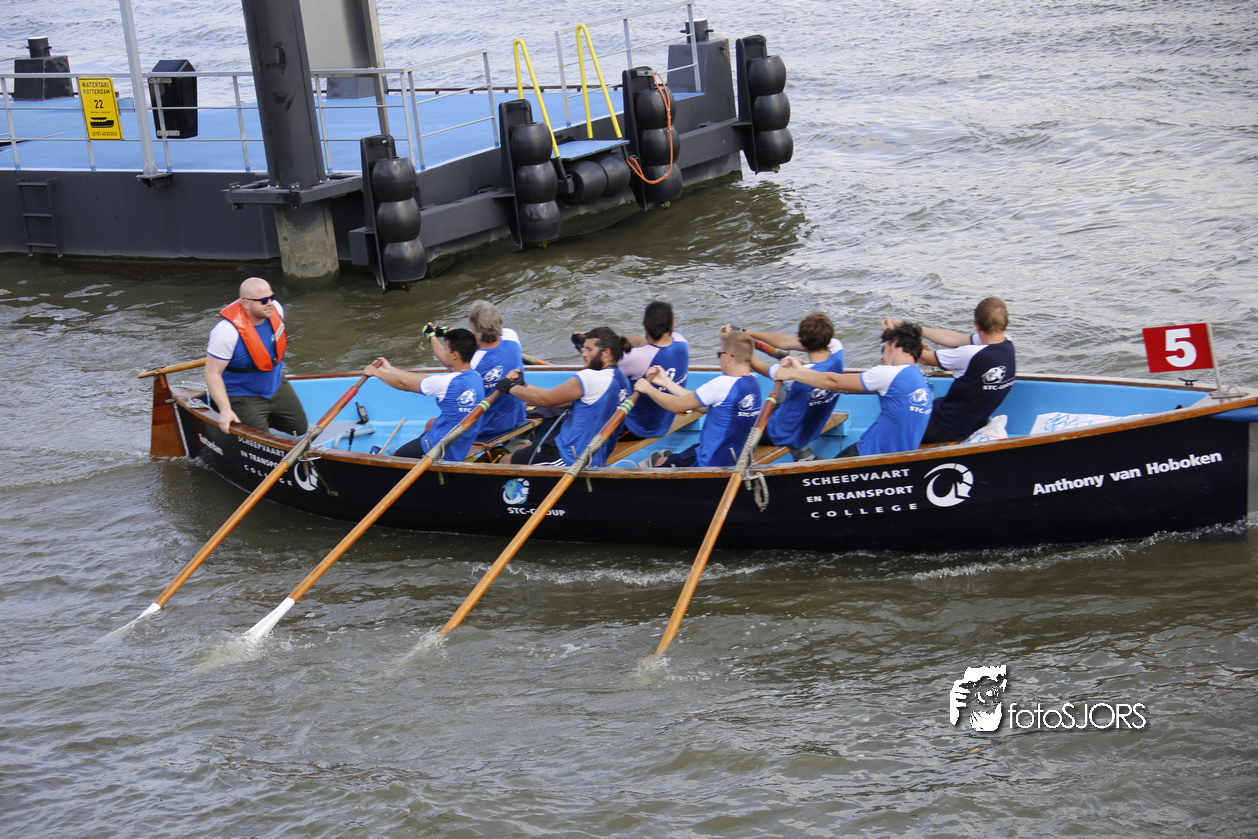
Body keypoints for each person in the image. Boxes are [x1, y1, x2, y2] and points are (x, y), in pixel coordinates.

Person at [774, 321, 932, 457]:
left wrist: (792, 374)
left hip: (869, 454)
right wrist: (801, 371)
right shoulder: (918, 378)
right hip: (896, 460)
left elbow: (835, 383)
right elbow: (843, 386)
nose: (881, 358)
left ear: (895, 343)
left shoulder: (889, 373)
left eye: (882, 349)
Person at [883, 297, 1015, 444]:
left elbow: (924, 358)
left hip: (946, 426)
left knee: (892, 427)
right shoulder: (1007, 343)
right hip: (973, 420)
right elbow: (953, 338)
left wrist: (895, 337)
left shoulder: (970, 354)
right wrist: (911, 329)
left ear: (977, 325)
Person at [498, 327, 631, 467]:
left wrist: (511, 387)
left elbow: (545, 400)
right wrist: (524, 385)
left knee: (505, 461)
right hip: (591, 453)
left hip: (570, 457)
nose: (583, 353)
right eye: (583, 348)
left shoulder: (591, 377)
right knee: (520, 448)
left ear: (606, 353)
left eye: (589, 350)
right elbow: (559, 400)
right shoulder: (621, 380)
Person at [721, 312, 844, 458]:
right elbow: (786, 341)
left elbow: (758, 365)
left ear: (802, 340)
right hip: (814, 427)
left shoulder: (793, 376)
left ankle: (804, 455)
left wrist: (732, 342)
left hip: (779, 431)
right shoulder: (837, 350)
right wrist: (745, 333)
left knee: (736, 425)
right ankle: (803, 453)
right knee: (783, 395)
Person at [634, 330, 763, 468]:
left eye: (719, 354)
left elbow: (676, 406)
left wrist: (648, 388)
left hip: (709, 463)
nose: (719, 359)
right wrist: (666, 383)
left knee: (657, 463)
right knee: (683, 453)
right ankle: (667, 460)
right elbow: (703, 407)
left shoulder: (723, 383)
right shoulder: (754, 383)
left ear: (728, 356)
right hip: (730, 457)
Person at [360, 328, 485, 462]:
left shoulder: (446, 383)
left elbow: (403, 384)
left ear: (455, 355)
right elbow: (425, 380)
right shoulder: (476, 377)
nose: (443, 352)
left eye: (445, 349)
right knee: (430, 424)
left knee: (392, 460)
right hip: (461, 443)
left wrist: (376, 372)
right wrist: (390, 369)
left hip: (439, 448)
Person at [205, 276, 308, 436]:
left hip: (274, 385)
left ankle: (261, 417)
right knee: (262, 440)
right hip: (243, 394)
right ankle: (249, 415)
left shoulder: (276, 310)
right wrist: (225, 410)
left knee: (300, 429)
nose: (270, 303)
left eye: (272, 297)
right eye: (264, 300)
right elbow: (212, 374)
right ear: (246, 303)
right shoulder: (225, 332)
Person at [617, 301, 690, 440]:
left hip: (638, 428)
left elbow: (602, 373)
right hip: (665, 423)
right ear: (672, 324)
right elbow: (642, 341)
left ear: (644, 324)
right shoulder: (681, 341)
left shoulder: (635, 357)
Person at [461, 300, 528, 443]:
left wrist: (433, 338)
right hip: (517, 416)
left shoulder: (473, 361)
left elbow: (453, 369)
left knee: (432, 424)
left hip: (487, 427)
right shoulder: (511, 335)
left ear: (474, 327)